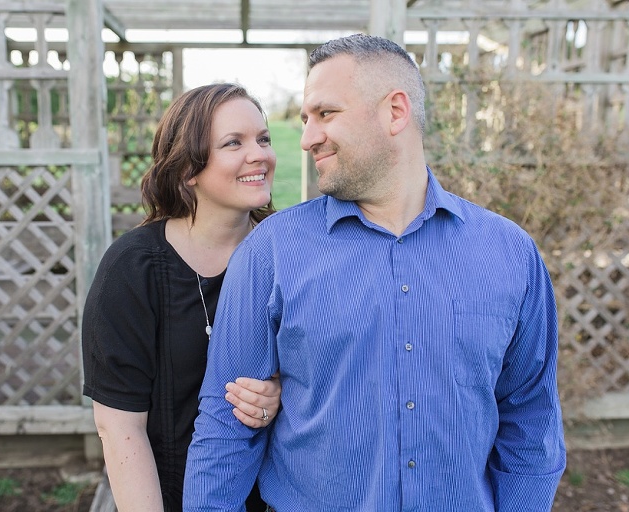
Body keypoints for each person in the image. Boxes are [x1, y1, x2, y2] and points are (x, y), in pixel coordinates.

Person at [184, 34, 566, 511]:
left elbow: (531, 422)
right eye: (306, 119)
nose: (306, 139)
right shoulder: (272, 252)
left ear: (395, 112)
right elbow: (225, 425)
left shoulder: (509, 253)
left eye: (326, 114)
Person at [82, 83, 281, 512]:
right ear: (189, 168)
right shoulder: (132, 269)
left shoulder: (290, 252)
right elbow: (119, 428)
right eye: (234, 143)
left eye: (263, 139)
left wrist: (281, 392)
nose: (260, 154)